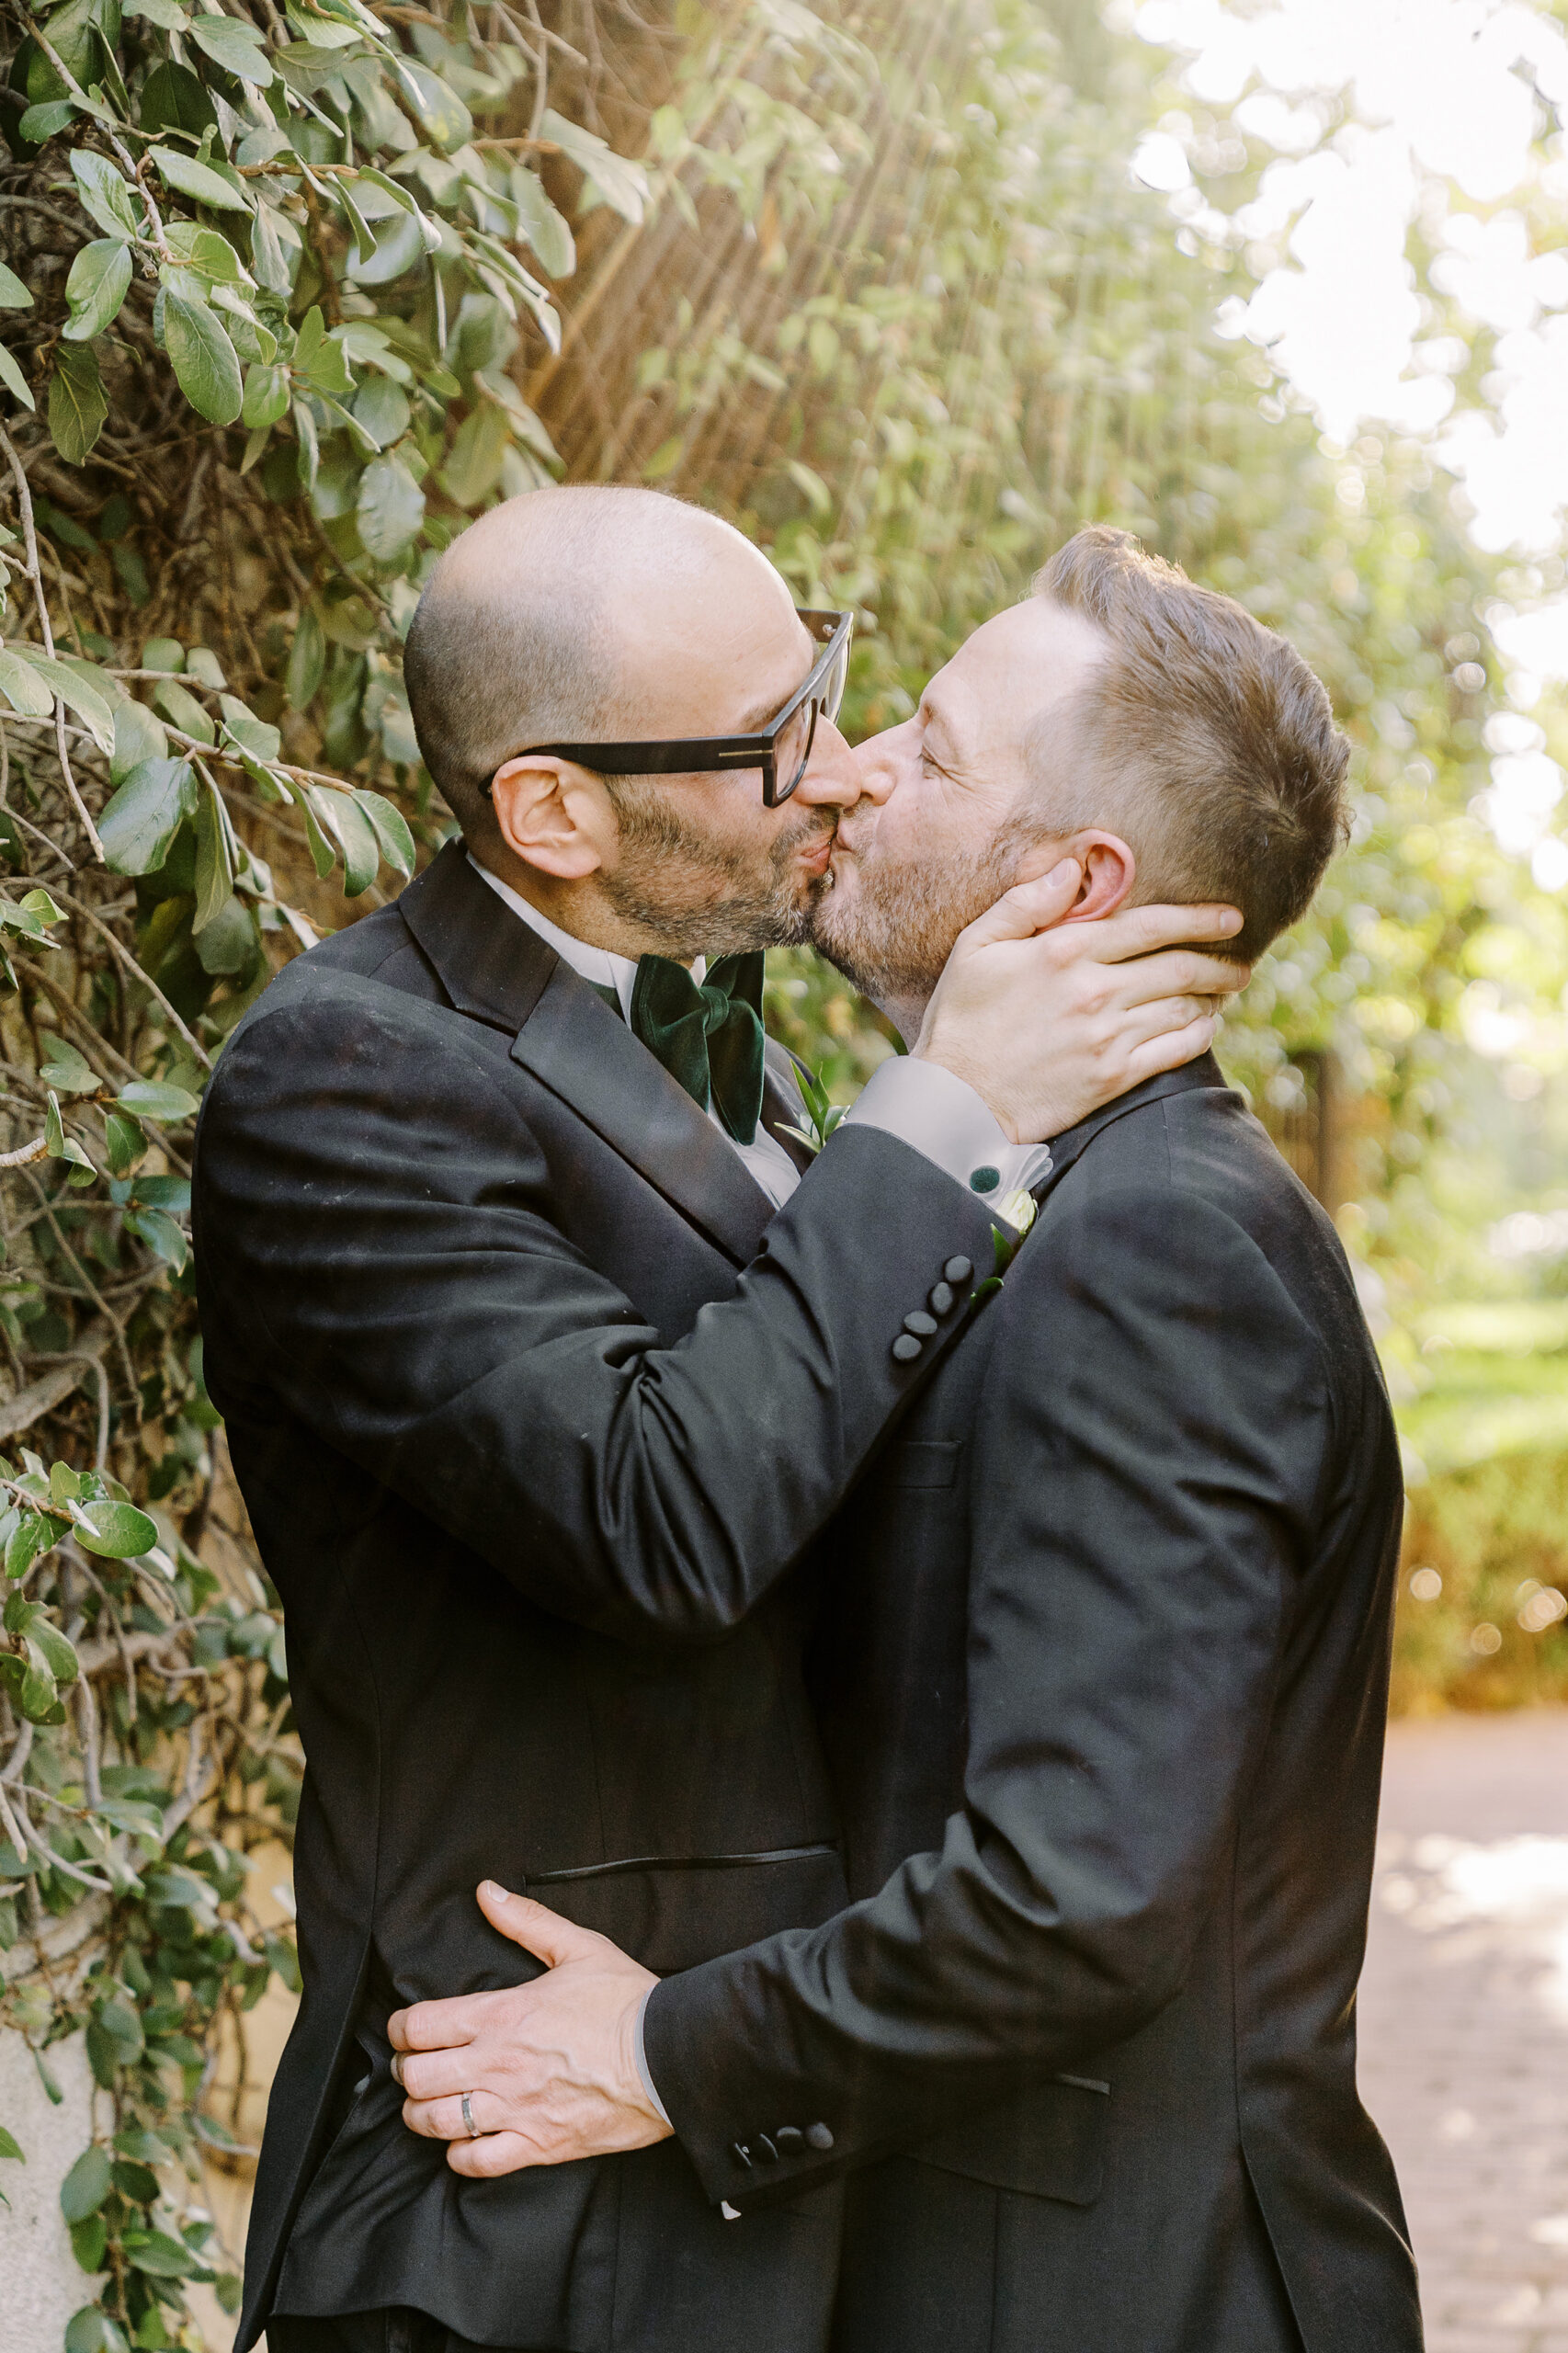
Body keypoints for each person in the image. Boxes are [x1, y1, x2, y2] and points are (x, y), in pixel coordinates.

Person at [192, 491, 1247, 2353]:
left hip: (749, 2150)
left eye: (821, 690)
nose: (836, 772)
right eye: (775, 744)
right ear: (554, 812)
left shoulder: (722, 1026)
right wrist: (947, 1109)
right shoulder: (343, 1074)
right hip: (514, 2198)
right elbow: (659, 1511)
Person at [390, 528, 1424, 2353]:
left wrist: (655, 2047)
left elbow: (1073, 1890)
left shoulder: (1160, 1243)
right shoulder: (1036, 1196)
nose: (852, 764)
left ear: (1075, 882)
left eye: (932, 751)